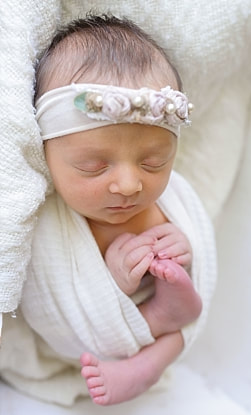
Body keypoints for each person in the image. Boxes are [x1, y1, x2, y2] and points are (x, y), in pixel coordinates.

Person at [31, 15, 203, 405]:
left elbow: (196, 234)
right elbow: (53, 291)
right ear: (46, 153)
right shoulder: (52, 223)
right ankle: (153, 335)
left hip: (166, 317)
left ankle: (153, 348)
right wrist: (114, 283)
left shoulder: (160, 206)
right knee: (167, 331)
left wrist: (181, 249)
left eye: (154, 163)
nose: (129, 186)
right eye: (93, 166)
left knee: (177, 333)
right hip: (100, 328)